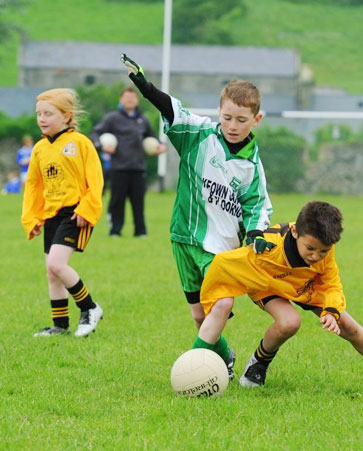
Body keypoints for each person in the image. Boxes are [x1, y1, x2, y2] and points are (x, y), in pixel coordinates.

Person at [121, 54, 274, 379]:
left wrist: (256, 233)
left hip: (221, 249)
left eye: (242, 120)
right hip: (183, 238)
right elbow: (173, 110)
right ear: (219, 112)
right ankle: (226, 357)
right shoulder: (200, 135)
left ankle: (192, 370)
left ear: (256, 119)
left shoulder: (252, 165)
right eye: (228, 117)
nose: (233, 126)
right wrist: (147, 88)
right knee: (200, 316)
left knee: (221, 305)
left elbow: (258, 205)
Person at [194, 201, 363, 392]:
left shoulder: (322, 253)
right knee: (289, 322)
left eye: (324, 251)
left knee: (347, 325)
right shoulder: (266, 249)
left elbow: (331, 283)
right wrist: (214, 302)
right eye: (311, 249)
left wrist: (331, 311)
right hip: (268, 284)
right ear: (296, 232)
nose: (316, 256)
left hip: (304, 285)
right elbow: (223, 265)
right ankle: (258, 365)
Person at [21, 88, 104, 338]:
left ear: (66, 117)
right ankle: (60, 326)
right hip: (51, 214)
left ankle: (90, 307)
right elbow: (34, 186)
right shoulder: (39, 149)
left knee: (57, 264)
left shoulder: (80, 143)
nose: (42, 119)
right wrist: (32, 218)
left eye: (48, 113)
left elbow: (96, 180)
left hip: (75, 211)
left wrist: (87, 209)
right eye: (39, 114)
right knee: (51, 269)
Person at [90, 87, 165, 238]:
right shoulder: (112, 118)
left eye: (132, 97)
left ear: (137, 100)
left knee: (138, 203)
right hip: (119, 168)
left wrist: (160, 145)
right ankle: (115, 231)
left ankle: (141, 232)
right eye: (127, 97)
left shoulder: (143, 120)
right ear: (121, 100)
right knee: (117, 202)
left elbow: (152, 137)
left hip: (138, 168)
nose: (130, 100)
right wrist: (101, 146)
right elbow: (95, 133)